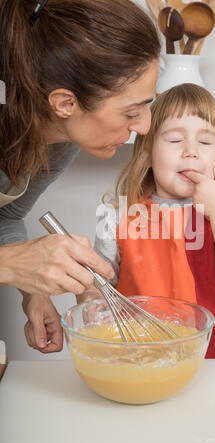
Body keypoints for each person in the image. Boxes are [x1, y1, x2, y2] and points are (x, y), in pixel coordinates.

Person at [0, 0, 161, 353]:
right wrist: (11, 264)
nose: (145, 126)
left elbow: (5, 216)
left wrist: (34, 289)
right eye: (132, 111)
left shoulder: (60, 138)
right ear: (65, 103)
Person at [79, 83, 215, 358]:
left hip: (208, 362)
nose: (191, 151)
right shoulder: (118, 214)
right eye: (175, 140)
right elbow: (97, 290)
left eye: (205, 141)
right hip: (135, 361)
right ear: (148, 153)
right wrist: (88, 298)